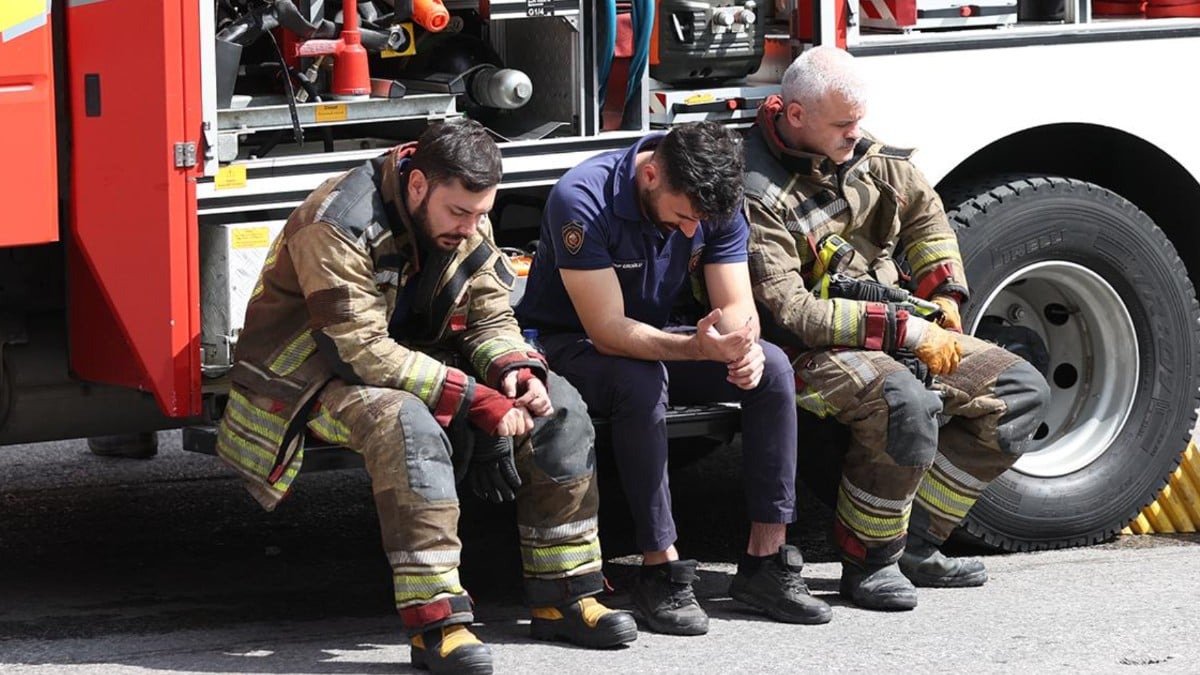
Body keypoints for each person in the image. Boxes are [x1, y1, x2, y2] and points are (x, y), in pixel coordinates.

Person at [214, 119, 636, 675]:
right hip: (312, 377)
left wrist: (516, 371)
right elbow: (359, 350)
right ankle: (437, 625)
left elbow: (491, 314)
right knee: (409, 426)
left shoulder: (464, 212)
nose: (471, 227)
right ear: (418, 187)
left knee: (559, 406)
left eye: (481, 214)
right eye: (459, 214)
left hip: (415, 360)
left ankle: (566, 595)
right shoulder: (336, 222)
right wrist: (476, 400)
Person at [741, 46, 1051, 611]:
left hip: (896, 322)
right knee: (904, 402)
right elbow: (793, 314)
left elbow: (924, 211)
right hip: (805, 349)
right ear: (794, 115)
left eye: (858, 121)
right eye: (842, 124)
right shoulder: (756, 193)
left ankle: (918, 542)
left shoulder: (859, 148)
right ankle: (870, 562)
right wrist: (907, 334)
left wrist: (946, 292)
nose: (856, 135)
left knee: (1019, 392)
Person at [515, 121, 832, 635]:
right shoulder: (581, 198)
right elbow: (609, 330)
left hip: (659, 337)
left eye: (699, 222)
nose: (691, 232)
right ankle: (659, 568)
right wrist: (696, 348)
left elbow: (735, 304)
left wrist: (740, 348)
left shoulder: (711, 200)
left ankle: (765, 562)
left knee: (771, 369)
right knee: (640, 382)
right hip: (572, 342)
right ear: (651, 173)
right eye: (683, 217)